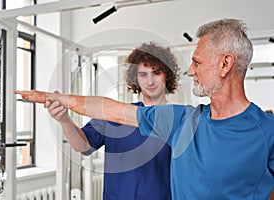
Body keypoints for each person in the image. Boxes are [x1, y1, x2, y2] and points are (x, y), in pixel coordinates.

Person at [15, 18, 274, 199]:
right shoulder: (178, 119)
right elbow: (110, 111)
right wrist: (59, 102)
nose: (190, 70)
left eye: (196, 61)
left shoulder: (267, 131)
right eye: (143, 74)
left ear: (225, 64)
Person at [26, 42, 180, 199]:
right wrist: (65, 120)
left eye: (156, 73)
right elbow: (83, 145)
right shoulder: (115, 114)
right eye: (143, 74)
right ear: (135, 78)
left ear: (167, 74)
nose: (150, 81)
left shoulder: (180, 119)